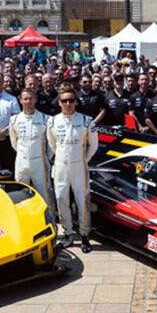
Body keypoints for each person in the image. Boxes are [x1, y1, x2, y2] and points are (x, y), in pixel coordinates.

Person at [47, 83, 98, 252]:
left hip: (79, 166)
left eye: (71, 100)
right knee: (62, 198)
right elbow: (52, 145)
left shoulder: (86, 121)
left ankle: (84, 235)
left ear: (76, 102)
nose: (68, 104)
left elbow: (93, 146)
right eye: (64, 101)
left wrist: (83, 159)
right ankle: (68, 233)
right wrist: (63, 158)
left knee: (82, 200)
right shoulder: (52, 122)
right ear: (59, 102)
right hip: (61, 165)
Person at [9, 89, 54, 210]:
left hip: (39, 162)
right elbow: (14, 142)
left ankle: (49, 218)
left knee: (44, 192)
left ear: (35, 100)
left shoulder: (46, 119)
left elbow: (51, 144)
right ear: (21, 101)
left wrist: (44, 158)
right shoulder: (14, 120)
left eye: (31, 98)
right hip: (21, 162)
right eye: (25, 99)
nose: (28, 101)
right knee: (20, 191)